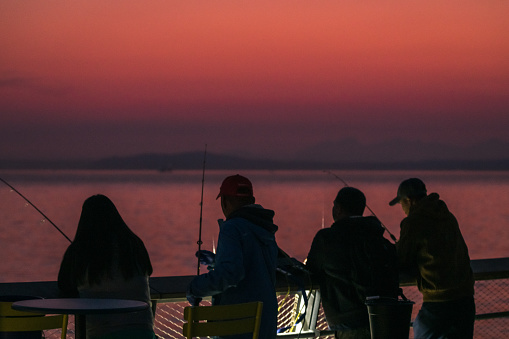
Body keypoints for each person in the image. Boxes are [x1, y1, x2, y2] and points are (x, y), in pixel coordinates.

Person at [186, 174, 279, 339]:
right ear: (252, 200)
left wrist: (195, 288)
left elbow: (231, 273)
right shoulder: (265, 229)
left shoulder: (232, 227)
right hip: (266, 324)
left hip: (237, 327)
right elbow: (255, 265)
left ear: (225, 201)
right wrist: (217, 260)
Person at [58, 194, 156, 339]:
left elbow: (64, 286)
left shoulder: (79, 251)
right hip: (144, 334)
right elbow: (149, 270)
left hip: (102, 334)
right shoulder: (134, 245)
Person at [306, 187, 399, 339]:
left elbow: (312, 270)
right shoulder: (376, 237)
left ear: (339, 208)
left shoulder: (327, 239)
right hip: (383, 319)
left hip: (349, 322)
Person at [389, 178, 475, 339]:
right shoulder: (447, 216)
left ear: (409, 200)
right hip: (465, 299)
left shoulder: (413, 222)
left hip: (438, 302)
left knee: (421, 331)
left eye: (402, 204)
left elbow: (402, 260)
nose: (403, 209)